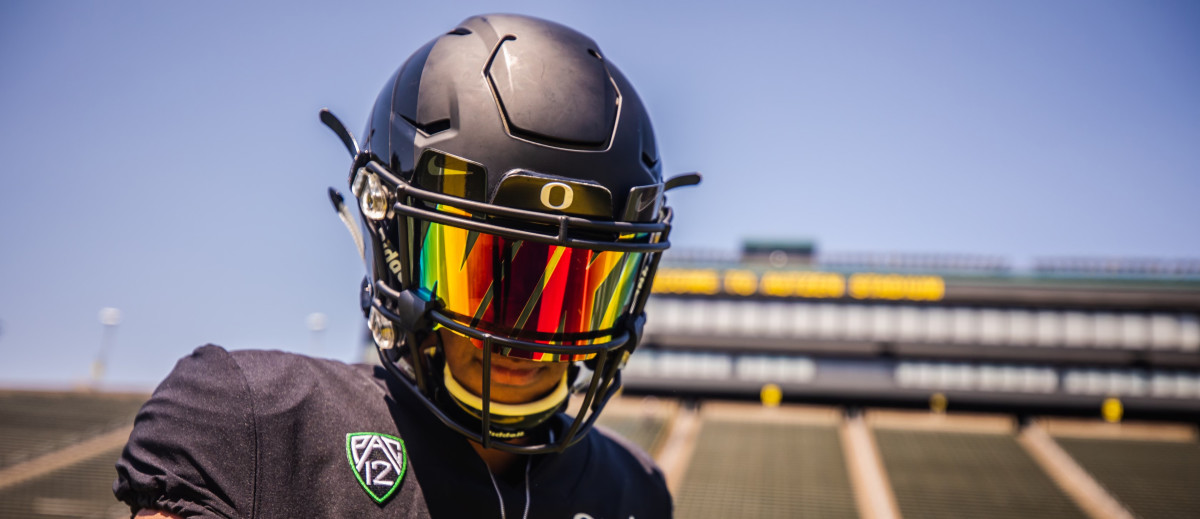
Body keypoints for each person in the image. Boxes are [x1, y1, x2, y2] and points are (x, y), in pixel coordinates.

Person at [114, 13, 699, 518]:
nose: (528, 340)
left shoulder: (635, 493)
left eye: (572, 290)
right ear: (392, 239)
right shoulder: (257, 424)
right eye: (487, 277)